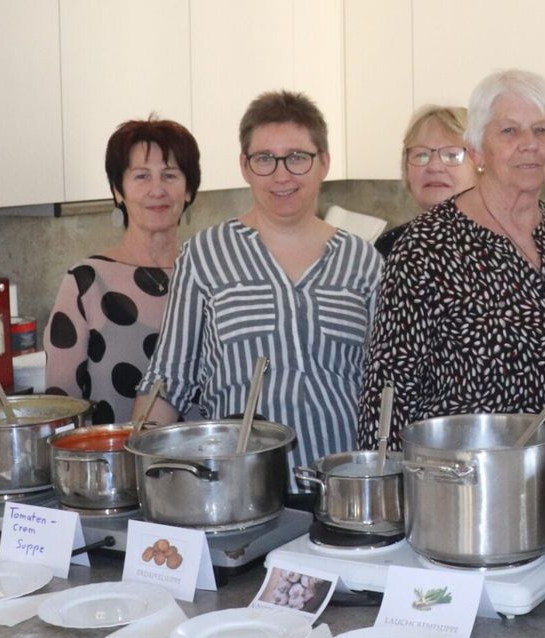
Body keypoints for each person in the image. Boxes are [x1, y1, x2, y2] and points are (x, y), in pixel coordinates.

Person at [356, 70, 545, 546]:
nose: (528, 145)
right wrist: (388, 501)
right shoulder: (427, 245)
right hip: (468, 498)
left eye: (542, 130)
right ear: (477, 150)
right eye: (509, 130)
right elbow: (388, 389)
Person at [138, 91, 383, 481]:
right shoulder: (205, 254)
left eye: (297, 158)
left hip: (347, 485)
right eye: (265, 159)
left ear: (324, 163)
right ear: (245, 166)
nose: (281, 175)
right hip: (238, 487)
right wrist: (146, 475)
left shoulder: (364, 261)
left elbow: (386, 384)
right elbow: (167, 383)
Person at [45, 118, 200, 425]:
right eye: (141, 176)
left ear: (189, 191)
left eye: (170, 175)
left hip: (204, 465)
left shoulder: (208, 278)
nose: (157, 190)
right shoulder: (86, 282)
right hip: (113, 468)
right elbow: (60, 406)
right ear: (118, 191)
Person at [373, 105, 479, 257]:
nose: (434, 167)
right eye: (421, 155)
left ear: (481, 164)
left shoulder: (508, 243)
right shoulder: (390, 246)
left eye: (452, 155)